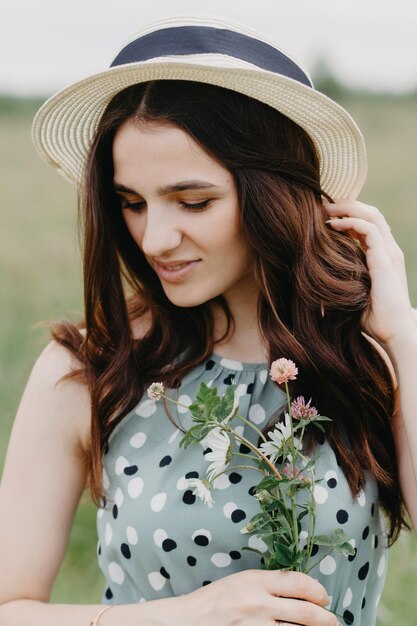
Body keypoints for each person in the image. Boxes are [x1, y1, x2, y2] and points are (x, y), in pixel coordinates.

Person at [0, 15, 416, 626]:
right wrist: (183, 616)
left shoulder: (373, 358)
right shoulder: (88, 369)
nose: (156, 239)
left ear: (271, 195)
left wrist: (402, 333)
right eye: (132, 204)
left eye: (194, 202)